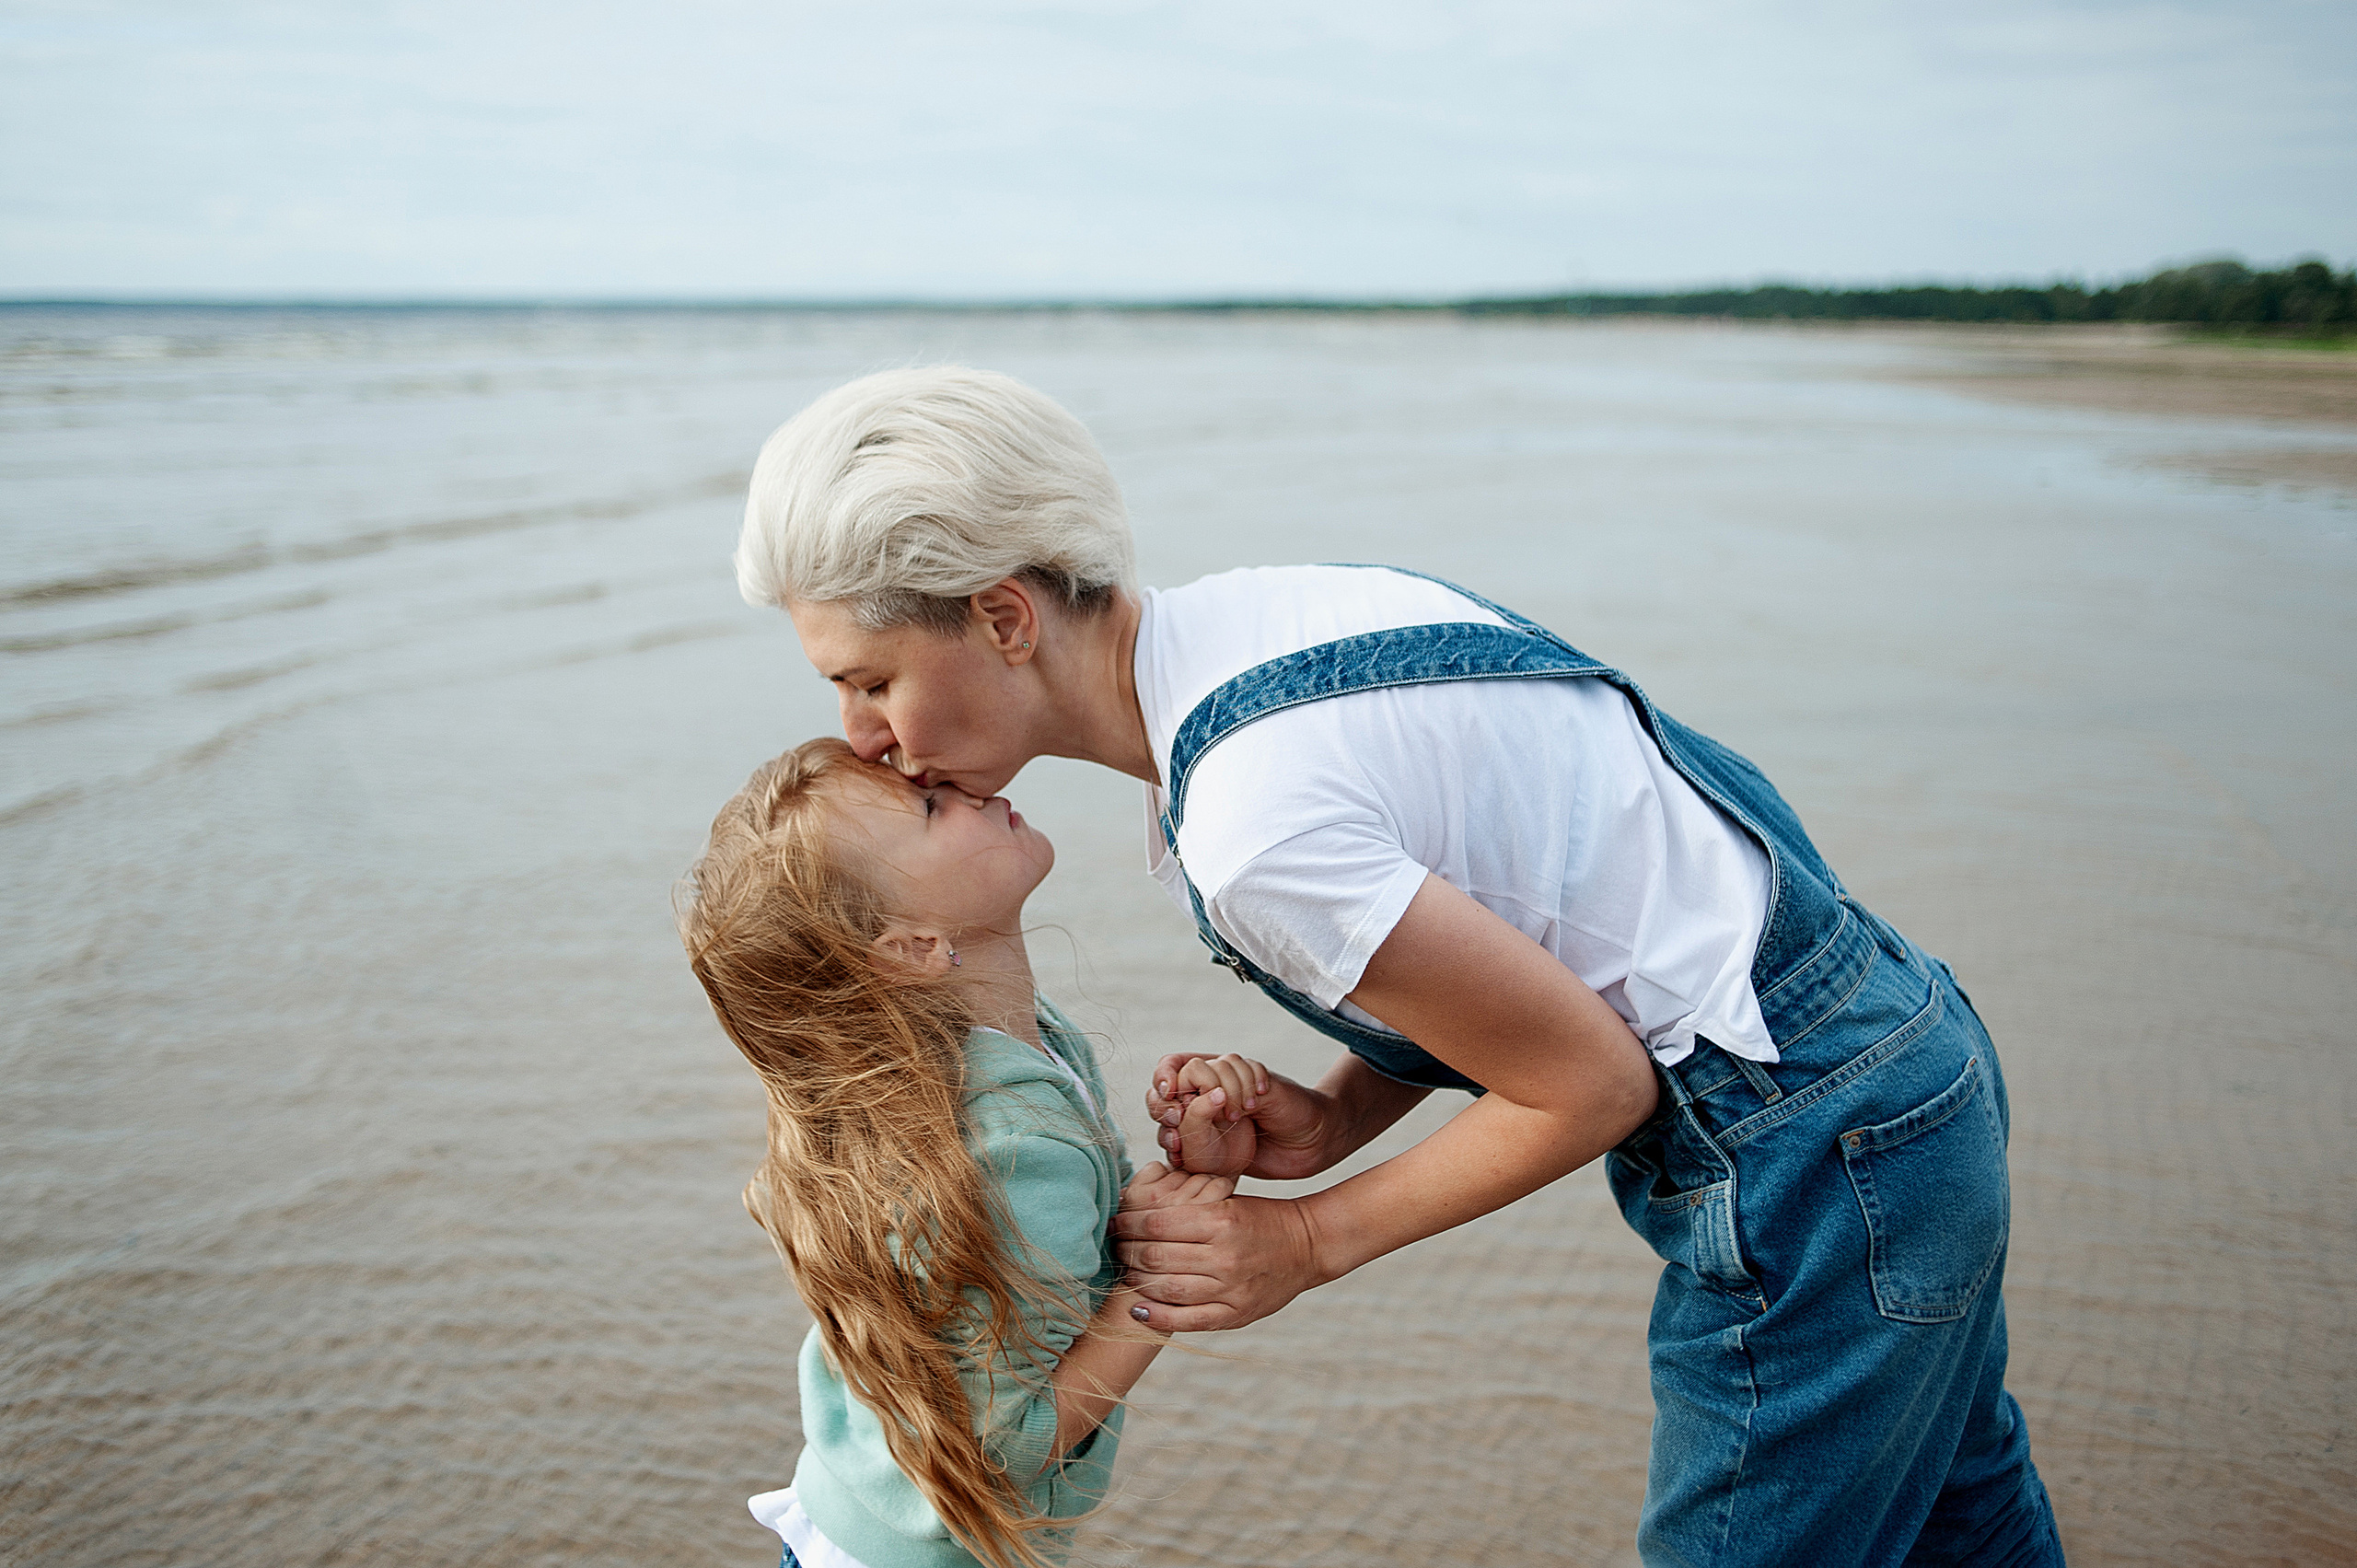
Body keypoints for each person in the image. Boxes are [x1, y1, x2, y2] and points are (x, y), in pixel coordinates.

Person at [730, 366, 2067, 1566]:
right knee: (1966, 1522)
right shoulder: (1277, 620)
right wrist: (1339, 1109)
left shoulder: (1252, 825)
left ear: (1005, 615)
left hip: (1811, 1148)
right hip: (1903, 1059)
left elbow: (1594, 1084)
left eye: (871, 678)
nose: (862, 737)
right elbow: (1545, 892)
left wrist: (1306, 1236)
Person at [678, 736, 1249, 1568]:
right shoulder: (1002, 1142)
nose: (960, 783)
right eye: (928, 806)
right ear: (908, 943)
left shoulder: (1008, 1041)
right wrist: (1156, 1294)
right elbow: (1004, 1450)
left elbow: (1070, 1253)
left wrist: (1198, 1174)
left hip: (862, 1508)